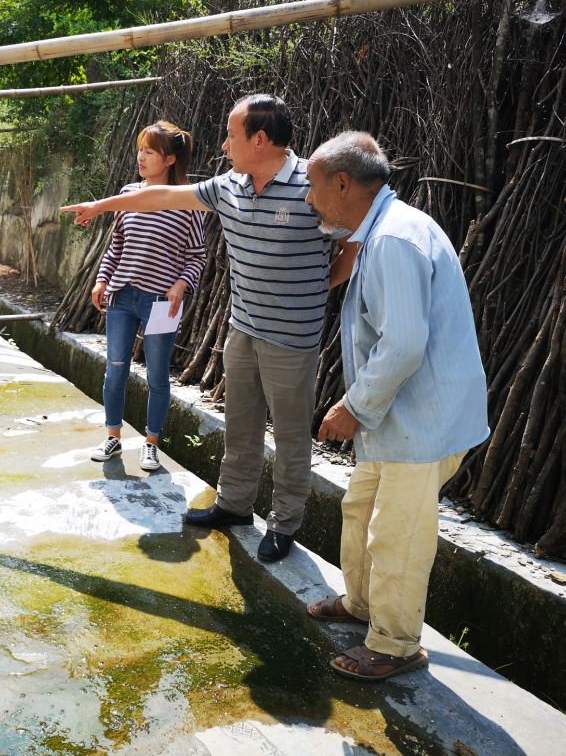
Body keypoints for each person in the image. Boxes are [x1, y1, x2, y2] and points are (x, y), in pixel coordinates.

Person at [63, 95, 357, 563]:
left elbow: (353, 238)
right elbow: (160, 195)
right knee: (240, 424)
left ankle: (283, 525)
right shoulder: (229, 185)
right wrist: (102, 205)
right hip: (242, 329)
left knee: (289, 436)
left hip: (292, 338)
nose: (223, 145)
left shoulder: (311, 185)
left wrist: (321, 285)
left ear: (260, 140)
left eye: (231, 135)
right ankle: (234, 505)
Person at [305, 131, 489, 681]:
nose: (310, 201)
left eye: (314, 188)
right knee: (360, 510)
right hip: (399, 420)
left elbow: (404, 342)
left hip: (421, 422)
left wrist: (353, 407)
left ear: (343, 183)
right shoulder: (382, 230)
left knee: (399, 534)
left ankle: (395, 644)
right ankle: (362, 605)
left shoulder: (392, 239)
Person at [85, 120, 206, 472]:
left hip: (161, 304)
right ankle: (113, 436)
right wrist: (102, 279)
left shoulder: (188, 202)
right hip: (122, 296)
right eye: (140, 149)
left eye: (149, 151)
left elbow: (197, 255)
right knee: (115, 369)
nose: (140, 156)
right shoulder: (126, 193)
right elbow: (116, 245)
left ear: (169, 160)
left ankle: (152, 443)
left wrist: (182, 283)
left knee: (156, 376)